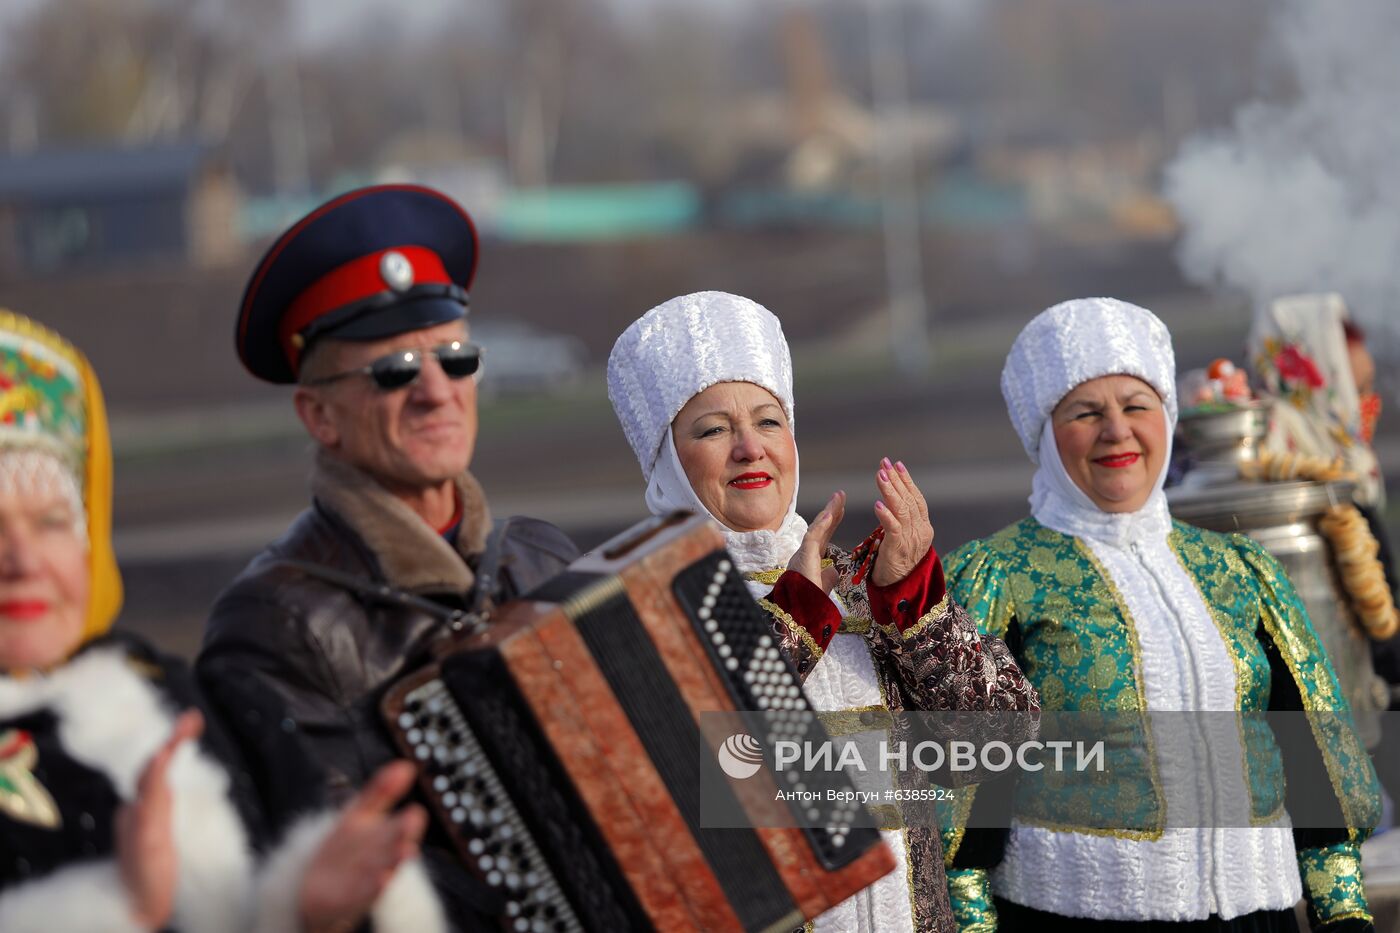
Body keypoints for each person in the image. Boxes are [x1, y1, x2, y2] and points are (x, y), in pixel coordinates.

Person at [197, 185, 578, 928]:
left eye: (456, 357)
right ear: (319, 415)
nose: (437, 391)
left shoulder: (541, 556)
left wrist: (822, 615)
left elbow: (722, 777)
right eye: (394, 369)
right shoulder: (273, 626)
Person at [942, 297, 1381, 931]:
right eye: (1086, 412)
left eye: (1137, 406)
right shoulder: (1001, 575)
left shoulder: (1239, 568)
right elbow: (963, 794)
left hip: (1256, 916)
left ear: (1167, 420)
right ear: (1044, 432)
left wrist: (1342, 909)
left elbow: (1314, 753)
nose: (1116, 431)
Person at [606, 290, 1038, 933]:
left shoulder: (863, 585)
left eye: (768, 421)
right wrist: (795, 619)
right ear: (667, 460)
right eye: (713, 429)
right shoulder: (638, 606)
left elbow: (1004, 744)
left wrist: (915, 600)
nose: (750, 448)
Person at [0, 309, 444, 932]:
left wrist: (318, 914)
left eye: (51, 523)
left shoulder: (201, 707)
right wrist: (120, 912)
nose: (21, 562)